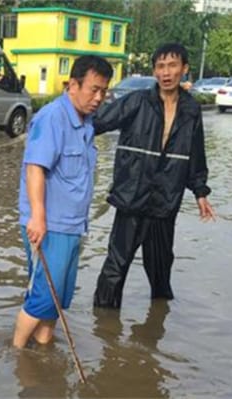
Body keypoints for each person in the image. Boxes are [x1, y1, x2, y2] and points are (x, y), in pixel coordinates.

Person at [92, 43, 215, 309]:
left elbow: (195, 155)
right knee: (116, 267)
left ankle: (157, 326)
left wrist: (200, 192)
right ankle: (103, 327)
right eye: (160, 66)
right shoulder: (137, 102)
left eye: (172, 66)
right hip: (131, 199)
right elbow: (96, 123)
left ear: (184, 69)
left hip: (164, 202)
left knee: (160, 271)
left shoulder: (191, 110)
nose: (166, 72)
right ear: (154, 70)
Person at [13, 55, 113, 349]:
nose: (98, 98)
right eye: (93, 89)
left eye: (103, 91)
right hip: (49, 225)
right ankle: (16, 353)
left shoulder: (86, 122)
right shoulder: (53, 117)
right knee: (44, 295)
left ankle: (43, 349)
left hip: (71, 226)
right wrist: (38, 217)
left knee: (58, 298)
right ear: (73, 85)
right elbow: (35, 168)